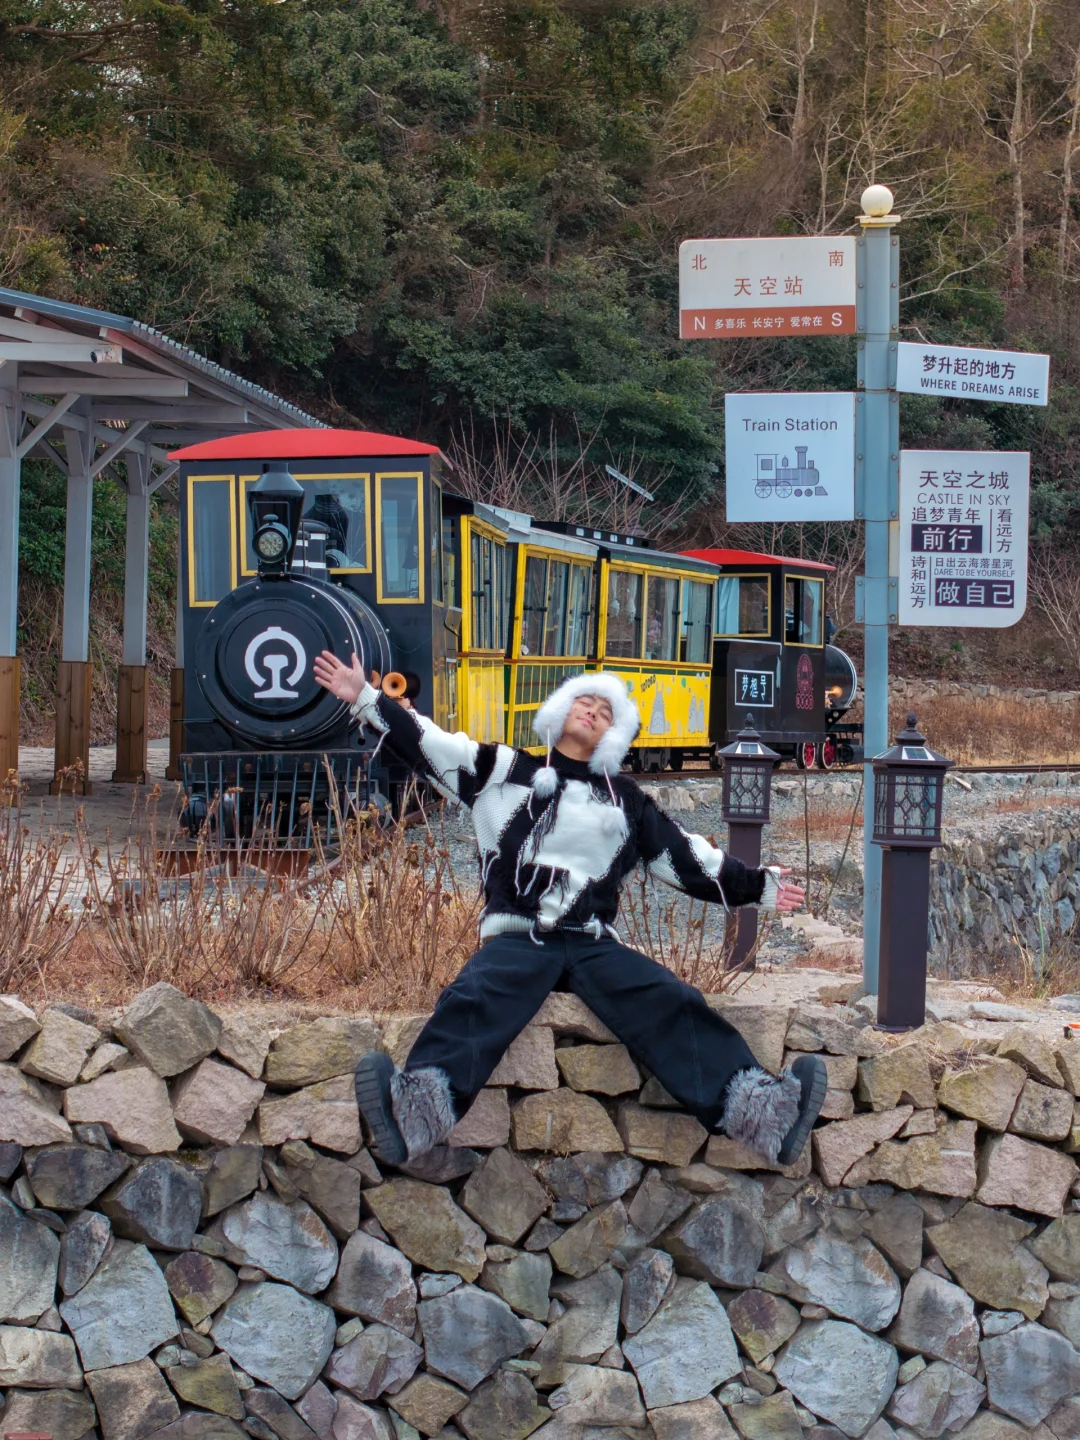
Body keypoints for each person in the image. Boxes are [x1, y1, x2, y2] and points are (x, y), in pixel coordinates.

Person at [313, 654, 826, 1170]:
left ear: (615, 735)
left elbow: (690, 859)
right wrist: (364, 695)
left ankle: (766, 1115)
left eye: (606, 711)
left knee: (670, 999)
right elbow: (427, 741)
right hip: (518, 936)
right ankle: (412, 1116)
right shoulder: (502, 770)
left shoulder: (627, 803)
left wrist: (757, 886)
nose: (593, 711)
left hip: (592, 944)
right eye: (585, 700)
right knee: (475, 997)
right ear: (559, 711)